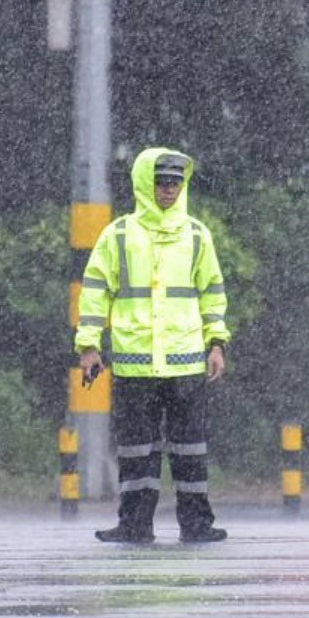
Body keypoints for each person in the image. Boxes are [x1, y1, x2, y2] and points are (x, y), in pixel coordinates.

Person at [75, 146, 231, 544]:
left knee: (190, 450)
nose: (168, 190)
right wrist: (89, 347)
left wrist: (217, 344)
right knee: (136, 452)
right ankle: (134, 526)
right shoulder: (119, 235)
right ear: (145, 183)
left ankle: (197, 526)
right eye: (161, 182)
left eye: (176, 183)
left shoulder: (197, 235)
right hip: (135, 366)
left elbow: (212, 293)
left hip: (185, 364)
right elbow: (94, 292)